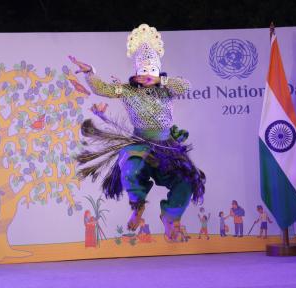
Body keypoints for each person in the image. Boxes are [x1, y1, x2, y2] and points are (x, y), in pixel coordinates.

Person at [71, 24, 205, 242]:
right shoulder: (126, 90)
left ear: (157, 73)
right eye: (142, 73)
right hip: (139, 142)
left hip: (166, 146)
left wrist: (162, 80)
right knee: (130, 169)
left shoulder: (166, 87)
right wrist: (89, 72)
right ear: (136, 74)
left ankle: (171, 217)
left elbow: (186, 86)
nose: (146, 78)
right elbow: (102, 89)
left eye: (151, 73)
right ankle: (138, 205)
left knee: (188, 180)